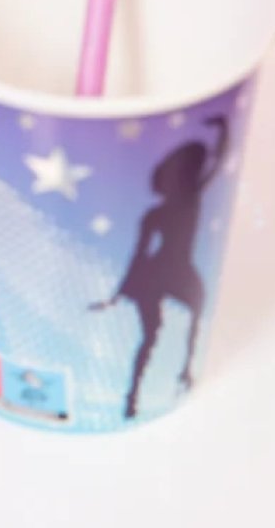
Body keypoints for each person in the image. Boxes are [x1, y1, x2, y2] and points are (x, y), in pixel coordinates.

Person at [95, 117, 229, 419]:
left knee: (193, 311)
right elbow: (139, 254)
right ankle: (133, 394)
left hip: (176, 269)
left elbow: (218, 162)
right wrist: (118, 293)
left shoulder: (190, 200)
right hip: (160, 271)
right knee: (153, 334)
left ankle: (184, 372)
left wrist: (223, 129)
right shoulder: (158, 214)